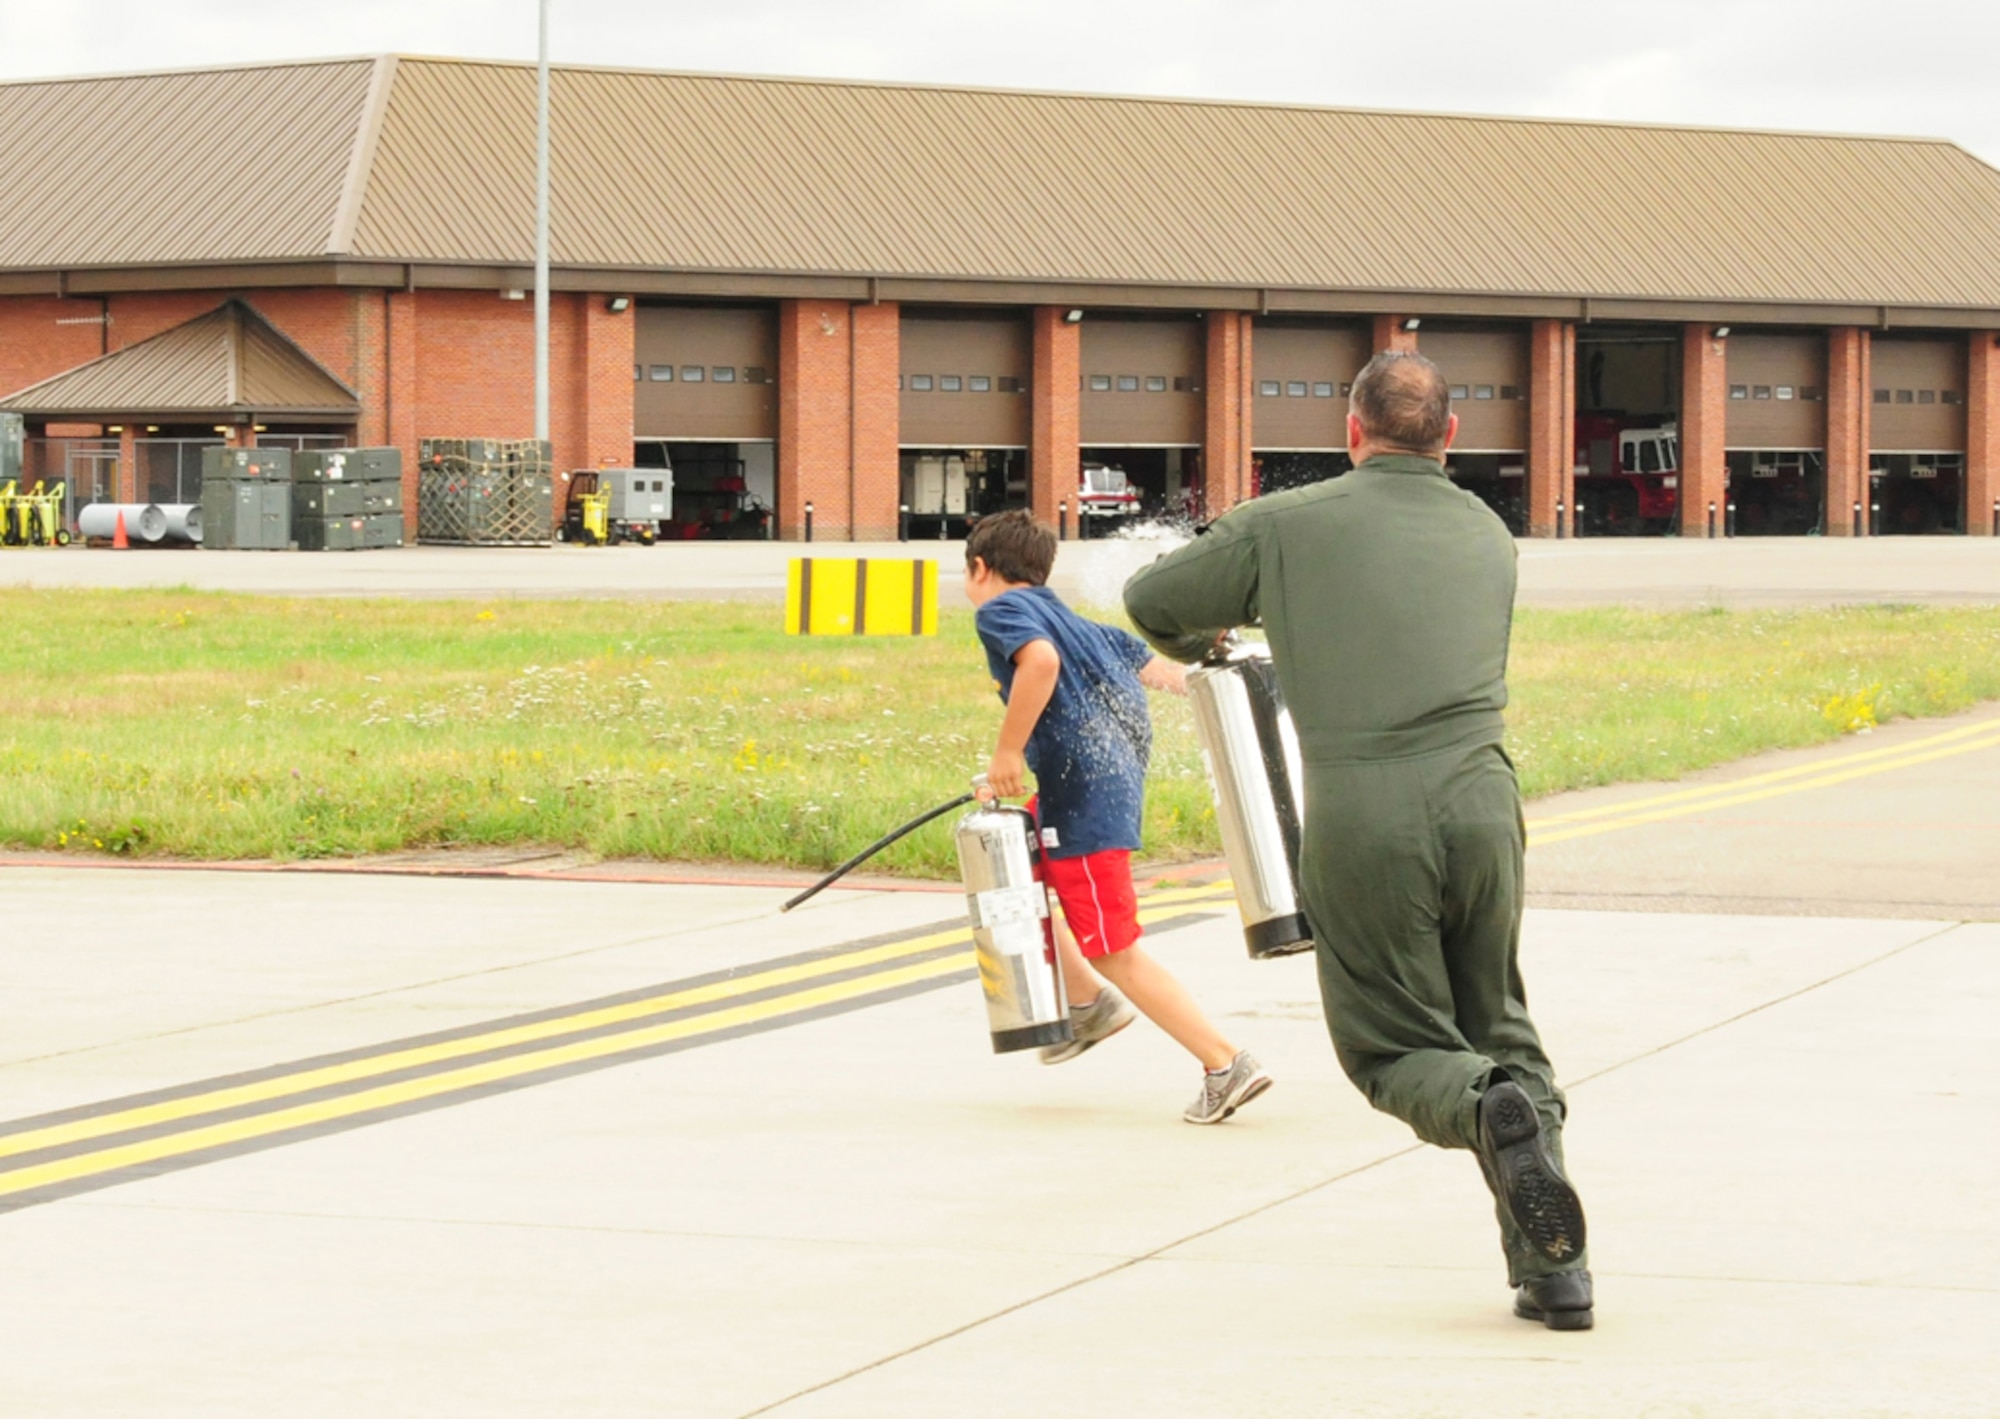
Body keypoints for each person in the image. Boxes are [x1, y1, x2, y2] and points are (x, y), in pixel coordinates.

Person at [1121, 351, 1593, 1329]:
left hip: (1366, 809)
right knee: (1498, 1023)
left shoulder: (1289, 524)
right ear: (1449, 437)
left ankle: (1478, 1109)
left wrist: (1218, 639)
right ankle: (1556, 1275)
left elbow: (1153, 602)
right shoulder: (1487, 532)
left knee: (1392, 1046)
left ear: (1349, 431)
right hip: (1480, 801)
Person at [963, 509, 1272, 1125]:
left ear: (980, 569)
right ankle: (1087, 1005)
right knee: (1016, 887)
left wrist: (1005, 752)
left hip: (1084, 804)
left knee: (1114, 950)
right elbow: (1167, 675)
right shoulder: (1084, 625)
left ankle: (1223, 1061)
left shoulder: (1000, 611)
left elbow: (1041, 664)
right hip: (1083, 793)